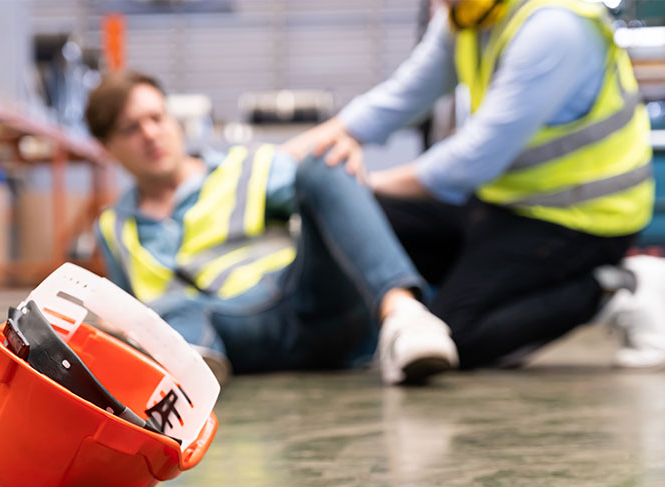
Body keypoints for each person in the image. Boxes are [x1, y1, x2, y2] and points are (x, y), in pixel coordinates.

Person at [286, 0, 665, 370]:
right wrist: (280, 161)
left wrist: (361, 184)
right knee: (364, 223)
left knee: (453, 340)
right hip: (504, 203)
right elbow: (399, 99)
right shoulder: (468, 14)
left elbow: (472, 161)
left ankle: (613, 290)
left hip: (581, 220)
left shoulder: (555, 27)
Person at [83, 71, 458, 386]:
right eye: (131, 128)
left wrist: (342, 172)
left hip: (306, 297)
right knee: (175, 311)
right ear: (107, 147)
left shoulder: (247, 167)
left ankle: (403, 318)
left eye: (157, 118)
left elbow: (328, 192)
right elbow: (131, 314)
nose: (150, 134)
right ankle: (191, 381)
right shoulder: (114, 229)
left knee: (326, 160)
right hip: (227, 334)